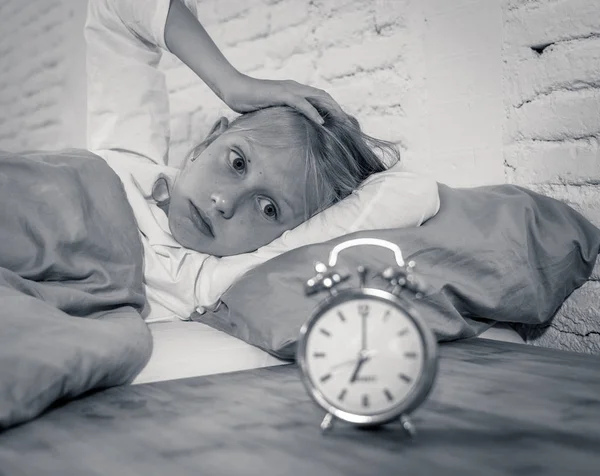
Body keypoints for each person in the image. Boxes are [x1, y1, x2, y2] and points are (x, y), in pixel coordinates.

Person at [85, 0, 438, 322]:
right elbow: (115, 9)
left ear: (290, 234)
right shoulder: (125, 157)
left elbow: (411, 192)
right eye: (237, 163)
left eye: (268, 209)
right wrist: (230, 83)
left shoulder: (205, 281)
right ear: (209, 140)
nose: (224, 203)